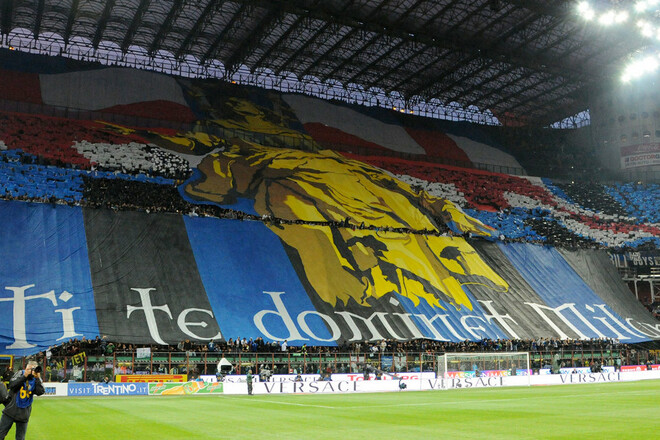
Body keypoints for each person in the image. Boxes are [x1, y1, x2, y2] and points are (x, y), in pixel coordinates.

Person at [0, 361, 44, 440]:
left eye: (33, 369)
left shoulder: (36, 378)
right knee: (0, 434)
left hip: (24, 413)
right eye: (29, 368)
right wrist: (24, 376)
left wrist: (37, 379)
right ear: (26, 368)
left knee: (20, 438)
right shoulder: (20, 373)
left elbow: (40, 392)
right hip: (11, 410)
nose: (31, 371)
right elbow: (12, 385)